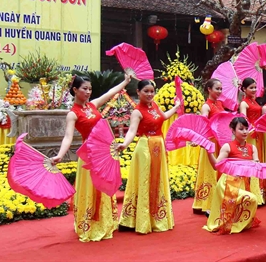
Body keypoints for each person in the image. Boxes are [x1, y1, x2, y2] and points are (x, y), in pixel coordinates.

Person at [52, 74, 131, 242]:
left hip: (104, 153)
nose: (88, 92)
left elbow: (110, 93)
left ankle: (104, 221)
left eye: (90, 89)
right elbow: (68, 137)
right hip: (88, 154)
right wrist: (60, 155)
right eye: (84, 89)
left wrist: (125, 81)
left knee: (103, 186)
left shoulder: (93, 105)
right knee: (91, 187)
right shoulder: (72, 114)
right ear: (75, 90)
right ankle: (89, 223)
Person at [116, 80, 181, 234]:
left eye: (152, 91)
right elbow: (132, 131)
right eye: (146, 91)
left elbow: (164, 117)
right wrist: (124, 144)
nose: (150, 94)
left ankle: (157, 217)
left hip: (159, 145)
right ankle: (141, 220)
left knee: (158, 180)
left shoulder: (155, 106)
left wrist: (177, 107)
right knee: (145, 181)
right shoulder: (137, 112)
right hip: (145, 148)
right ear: (138, 92)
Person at [203, 117, 261, 234]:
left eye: (246, 128)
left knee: (248, 202)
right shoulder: (227, 147)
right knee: (251, 199)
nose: (245, 131)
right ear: (233, 131)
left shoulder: (252, 148)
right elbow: (216, 166)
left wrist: (256, 164)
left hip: (243, 182)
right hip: (228, 183)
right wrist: (208, 152)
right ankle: (231, 225)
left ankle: (236, 223)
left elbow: (256, 165)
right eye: (241, 129)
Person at [192, 78, 225, 214]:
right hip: (210, 141)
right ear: (209, 89)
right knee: (210, 171)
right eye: (217, 88)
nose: (219, 91)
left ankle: (219, 200)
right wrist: (199, 138)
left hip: (221, 141)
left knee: (220, 170)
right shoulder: (206, 106)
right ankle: (208, 204)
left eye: (221, 89)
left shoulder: (220, 104)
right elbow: (203, 123)